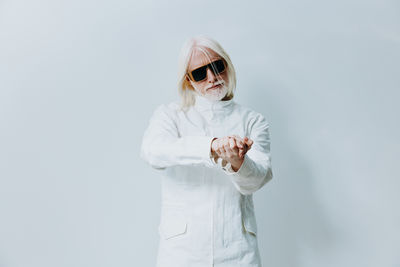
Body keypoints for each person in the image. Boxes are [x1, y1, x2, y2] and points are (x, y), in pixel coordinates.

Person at [140, 35, 273, 267]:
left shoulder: (253, 121)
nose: (212, 78)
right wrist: (210, 146)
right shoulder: (170, 115)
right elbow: (153, 151)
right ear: (188, 80)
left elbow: (256, 180)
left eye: (217, 67)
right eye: (200, 73)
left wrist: (238, 164)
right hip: (182, 253)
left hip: (238, 251)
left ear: (227, 66)